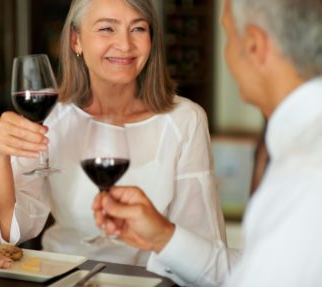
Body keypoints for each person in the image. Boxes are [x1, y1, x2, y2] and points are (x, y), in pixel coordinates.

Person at [0, 0, 226, 266]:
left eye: (138, 29)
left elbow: (203, 246)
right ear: (76, 40)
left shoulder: (185, 120)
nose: (125, 44)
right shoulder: (52, 117)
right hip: (64, 277)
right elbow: (6, 233)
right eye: (107, 28)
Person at [93, 0, 322, 285]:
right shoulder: (303, 146)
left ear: (254, 46)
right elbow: (256, 273)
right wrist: (164, 236)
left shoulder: (305, 170)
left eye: (227, 37)